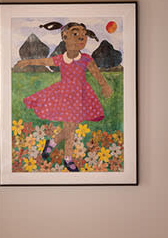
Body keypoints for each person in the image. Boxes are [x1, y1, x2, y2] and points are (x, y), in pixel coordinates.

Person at [22, 21, 113, 172]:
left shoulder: (86, 59)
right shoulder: (61, 59)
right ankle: (68, 159)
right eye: (76, 34)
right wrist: (28, 62)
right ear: (65, 37)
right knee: (70, 129)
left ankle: (51, 143)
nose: (81, 38)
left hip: (80, 96)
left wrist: (104, 85)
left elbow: (96, 74)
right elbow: (45, 61)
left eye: (84, 35)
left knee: (72, 126)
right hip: (64, 96)